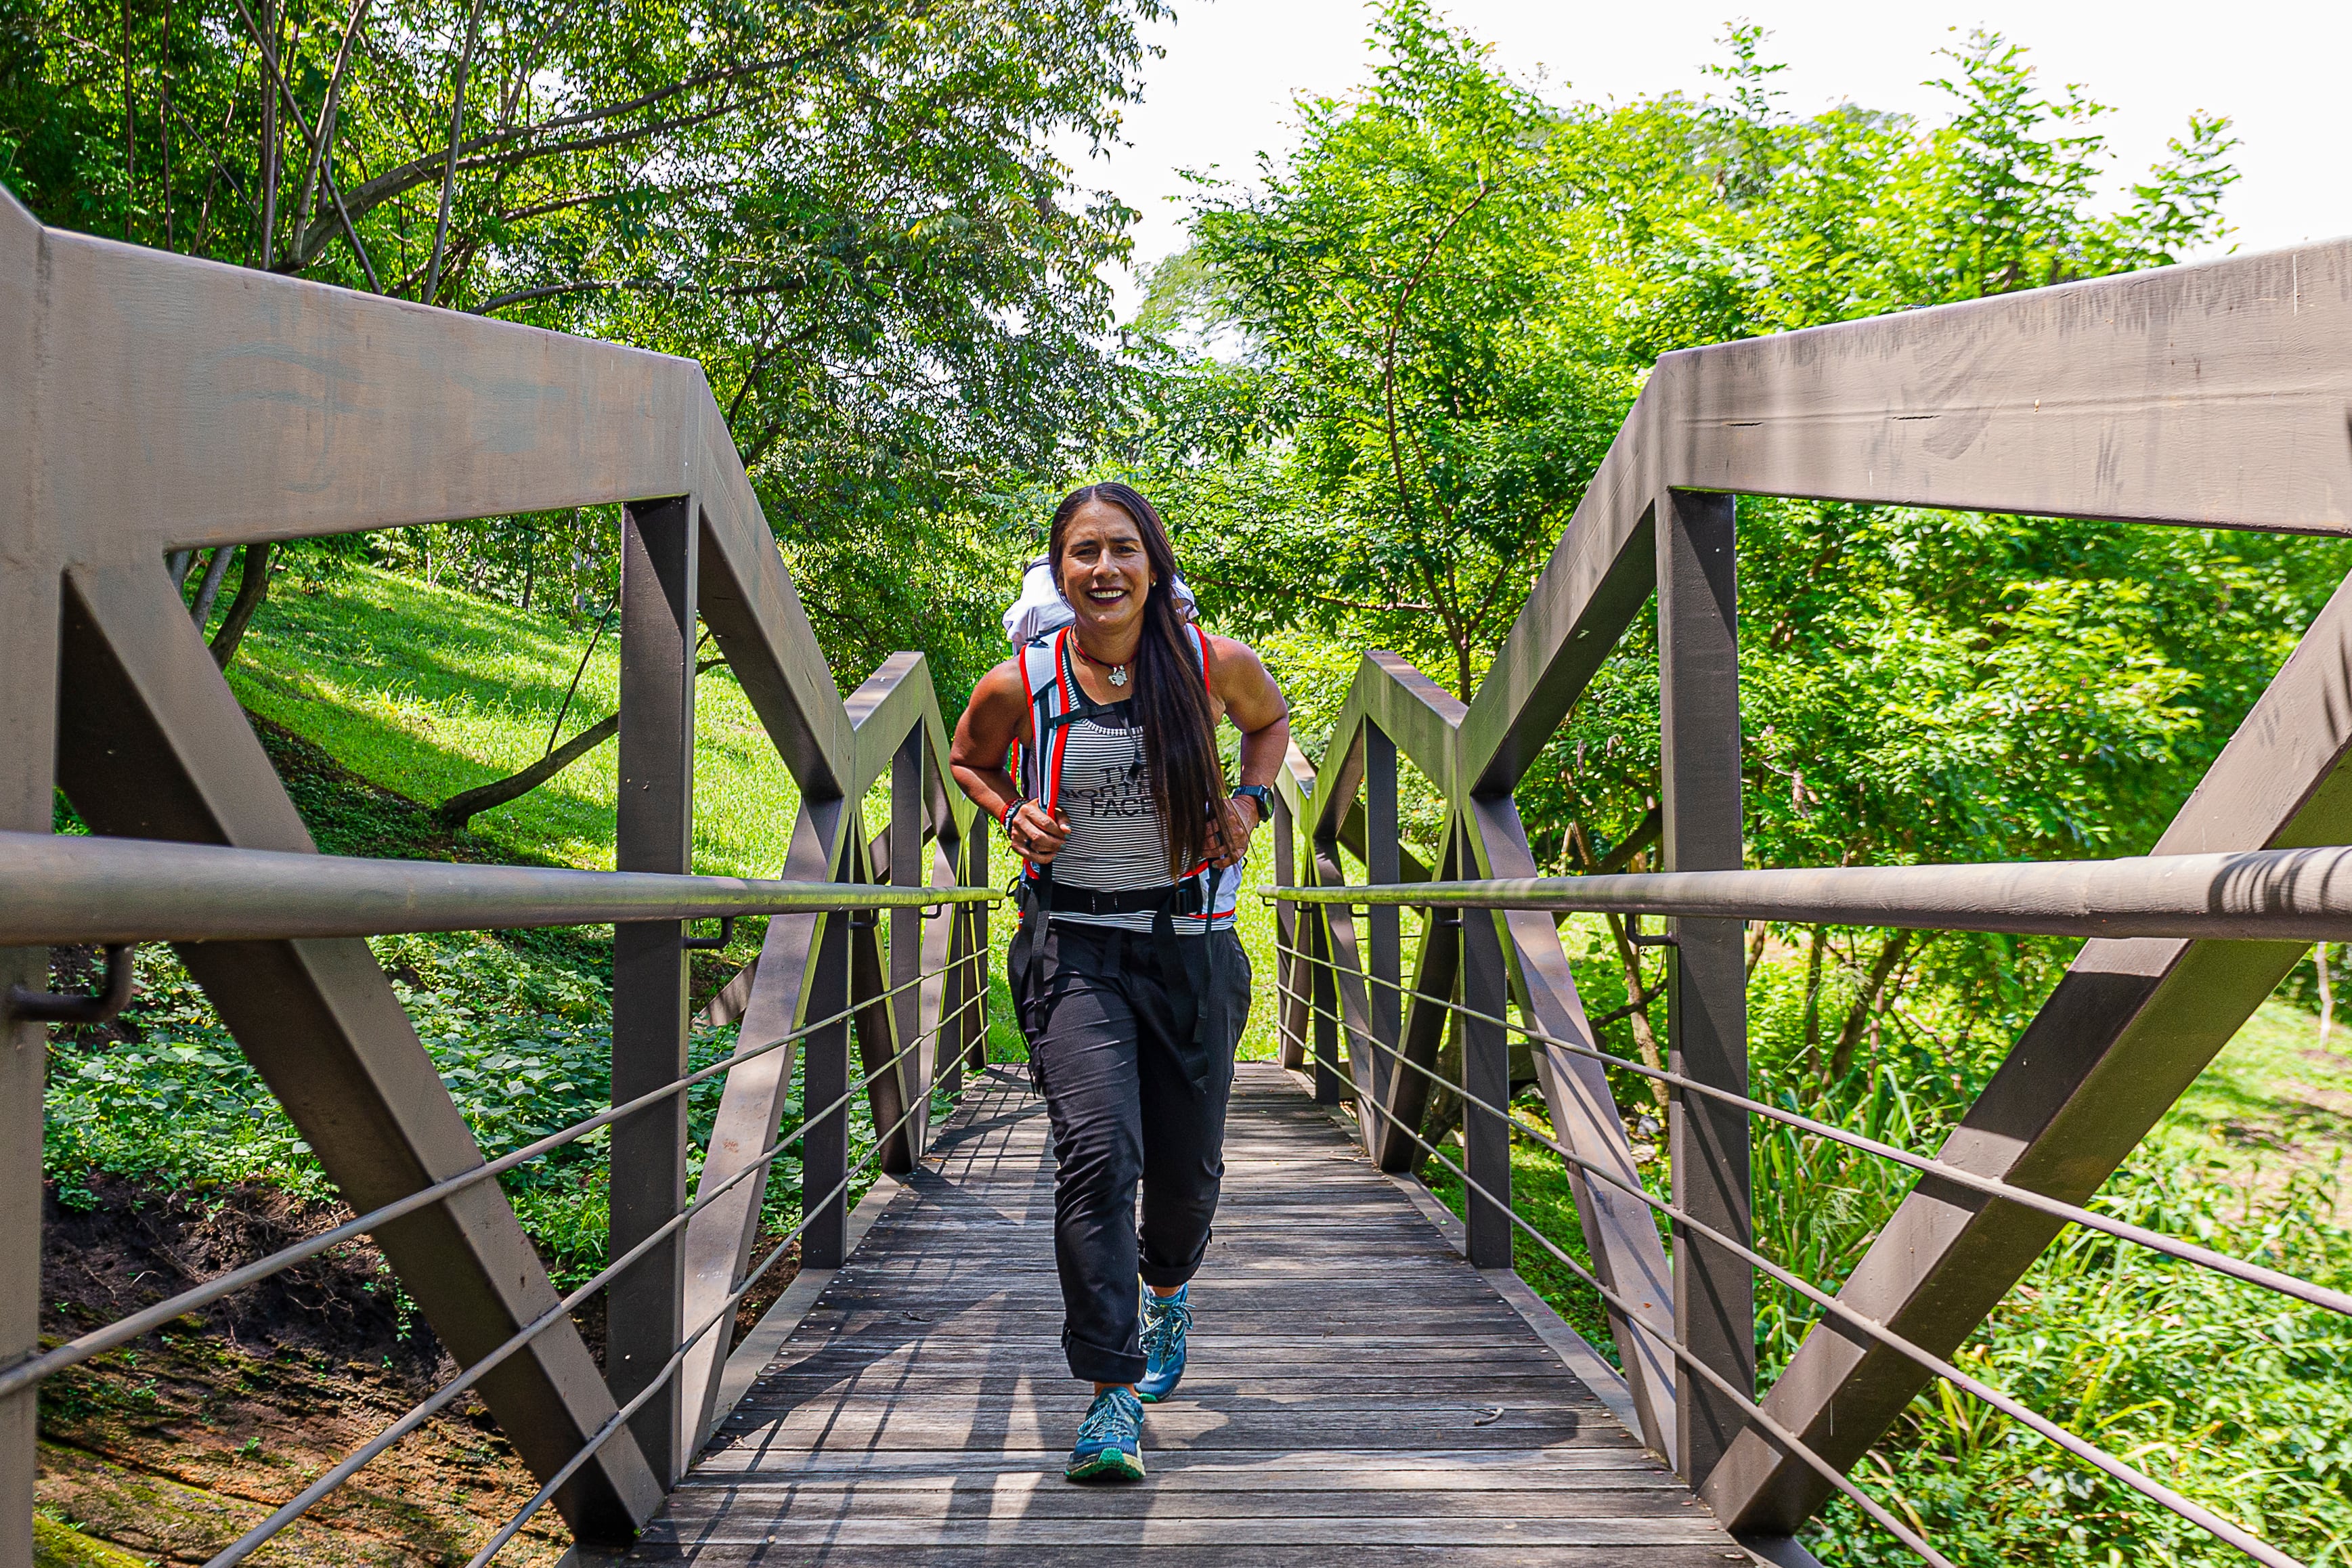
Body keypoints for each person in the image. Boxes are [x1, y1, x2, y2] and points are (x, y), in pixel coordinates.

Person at [949, 481, 1291, 1483]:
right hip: (1075, 949)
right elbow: (971, 761)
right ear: (1059, 571)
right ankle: (1109, 1393)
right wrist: (1011, 811)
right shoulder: (1022, 678)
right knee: (1098, 1160)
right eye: (1083, 553)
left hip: (1191, 947)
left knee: (1184, 1179)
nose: (1103, 569)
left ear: (1154, 564)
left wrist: (1250, 799)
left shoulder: (1211, 665)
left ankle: (1169, 1287)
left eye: (1122, 550)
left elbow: (1266, 730)